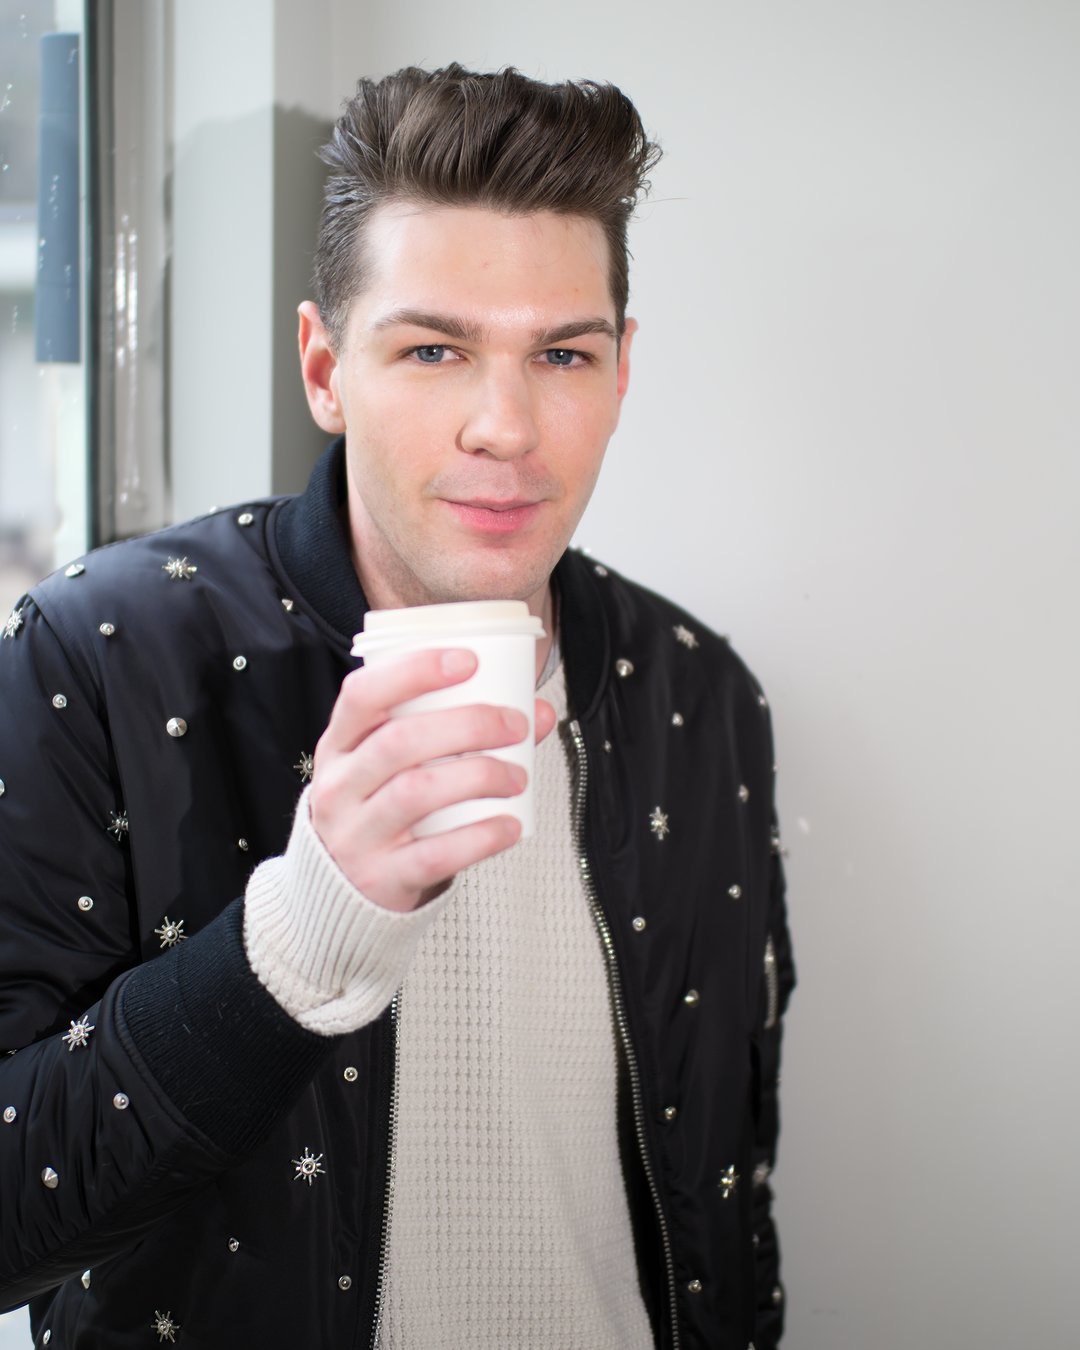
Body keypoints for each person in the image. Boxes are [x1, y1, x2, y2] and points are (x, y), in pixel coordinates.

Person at [0, 64, 794, 1349]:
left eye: (562, 353)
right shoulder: (98, 655)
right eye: (433, 350)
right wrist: (299, 938)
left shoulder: (701, 696)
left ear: (620, 372)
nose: (505, 426)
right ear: (325, 368)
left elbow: (729, 1193)